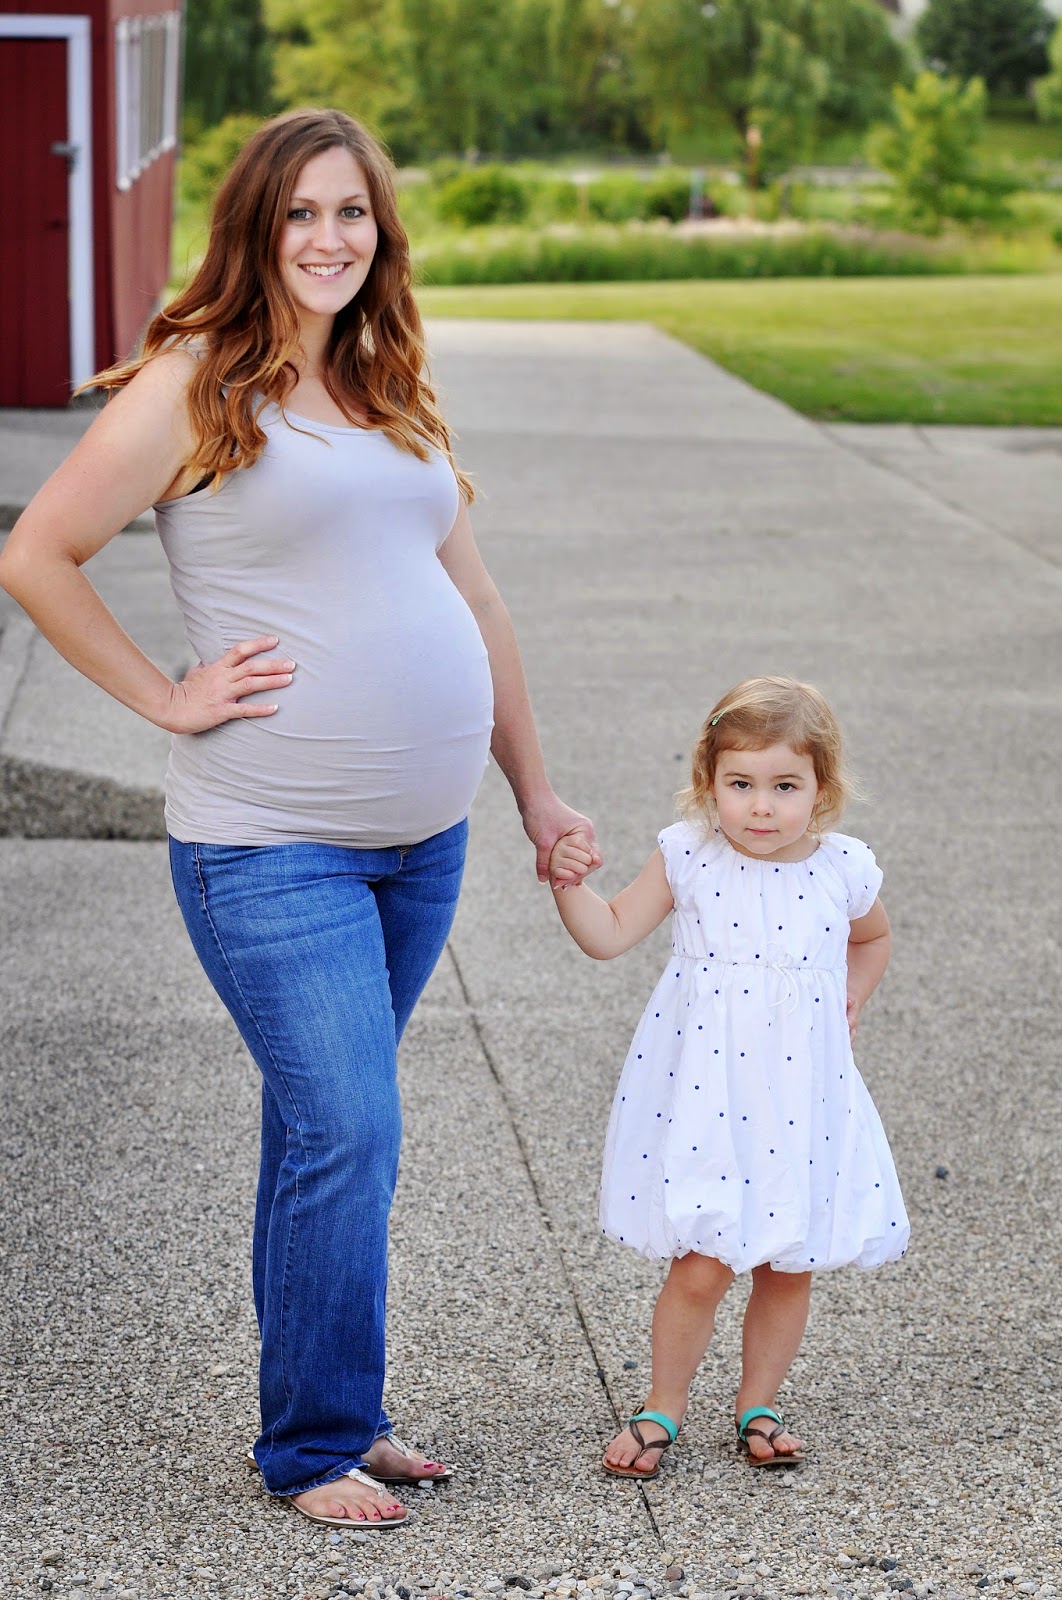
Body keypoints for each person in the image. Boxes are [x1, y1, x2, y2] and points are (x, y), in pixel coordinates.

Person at [0, 107, 598, 1531]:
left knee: (322, 1135)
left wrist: (534, 789)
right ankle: (314, 1443)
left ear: (381, 230)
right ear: (255, 229)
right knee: (351, 1127)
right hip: (270, 845)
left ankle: (340, 1412)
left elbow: (477, 600)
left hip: (423, 846)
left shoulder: (389, 384)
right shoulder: (195, 382)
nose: (330, 238)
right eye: (301, 214)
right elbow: (37, 553)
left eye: (353, 212)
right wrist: (166, 696)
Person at [548, 676, 908, 1478]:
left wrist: (852, 994)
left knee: (788, 1263)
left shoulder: (844, 868)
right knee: (703, 1262)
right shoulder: (690, 856)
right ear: (708, 781)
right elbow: (609, 934)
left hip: (801, 1098)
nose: (761, 807)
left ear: (822, 789)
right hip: (712, 1098)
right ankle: (662, 1406)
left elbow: (873, 938)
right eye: (740, 783)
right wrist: (569, 885)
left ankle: (759, 1403)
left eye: (785, 786)